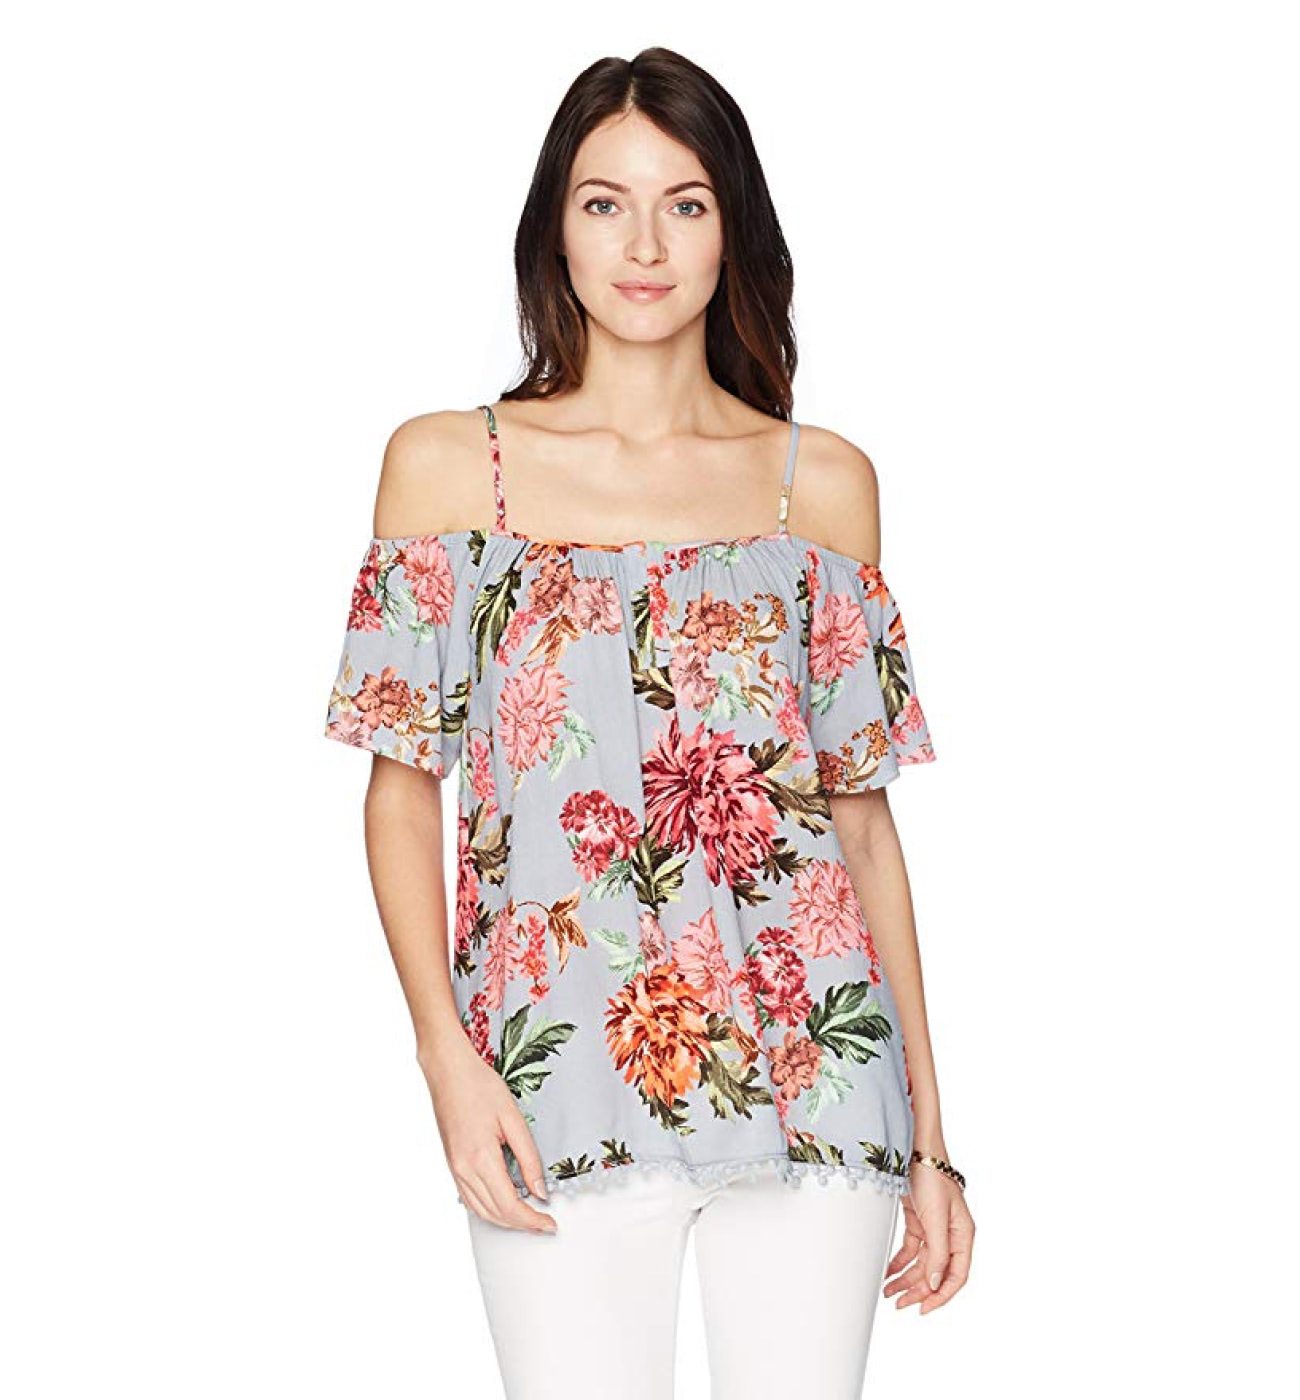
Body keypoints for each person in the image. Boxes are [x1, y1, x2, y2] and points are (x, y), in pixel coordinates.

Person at [322, 45, 974, 1400]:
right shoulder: (449, 469)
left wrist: (932, 1139)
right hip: (554, 1084)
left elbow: (862, 831)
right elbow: (400, 795)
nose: (645, 245)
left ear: (733, 227)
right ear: (554, 229)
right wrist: (447, 1059)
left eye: (686, 203)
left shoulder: (819, 486)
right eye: (604, 202)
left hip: (815, 1081)